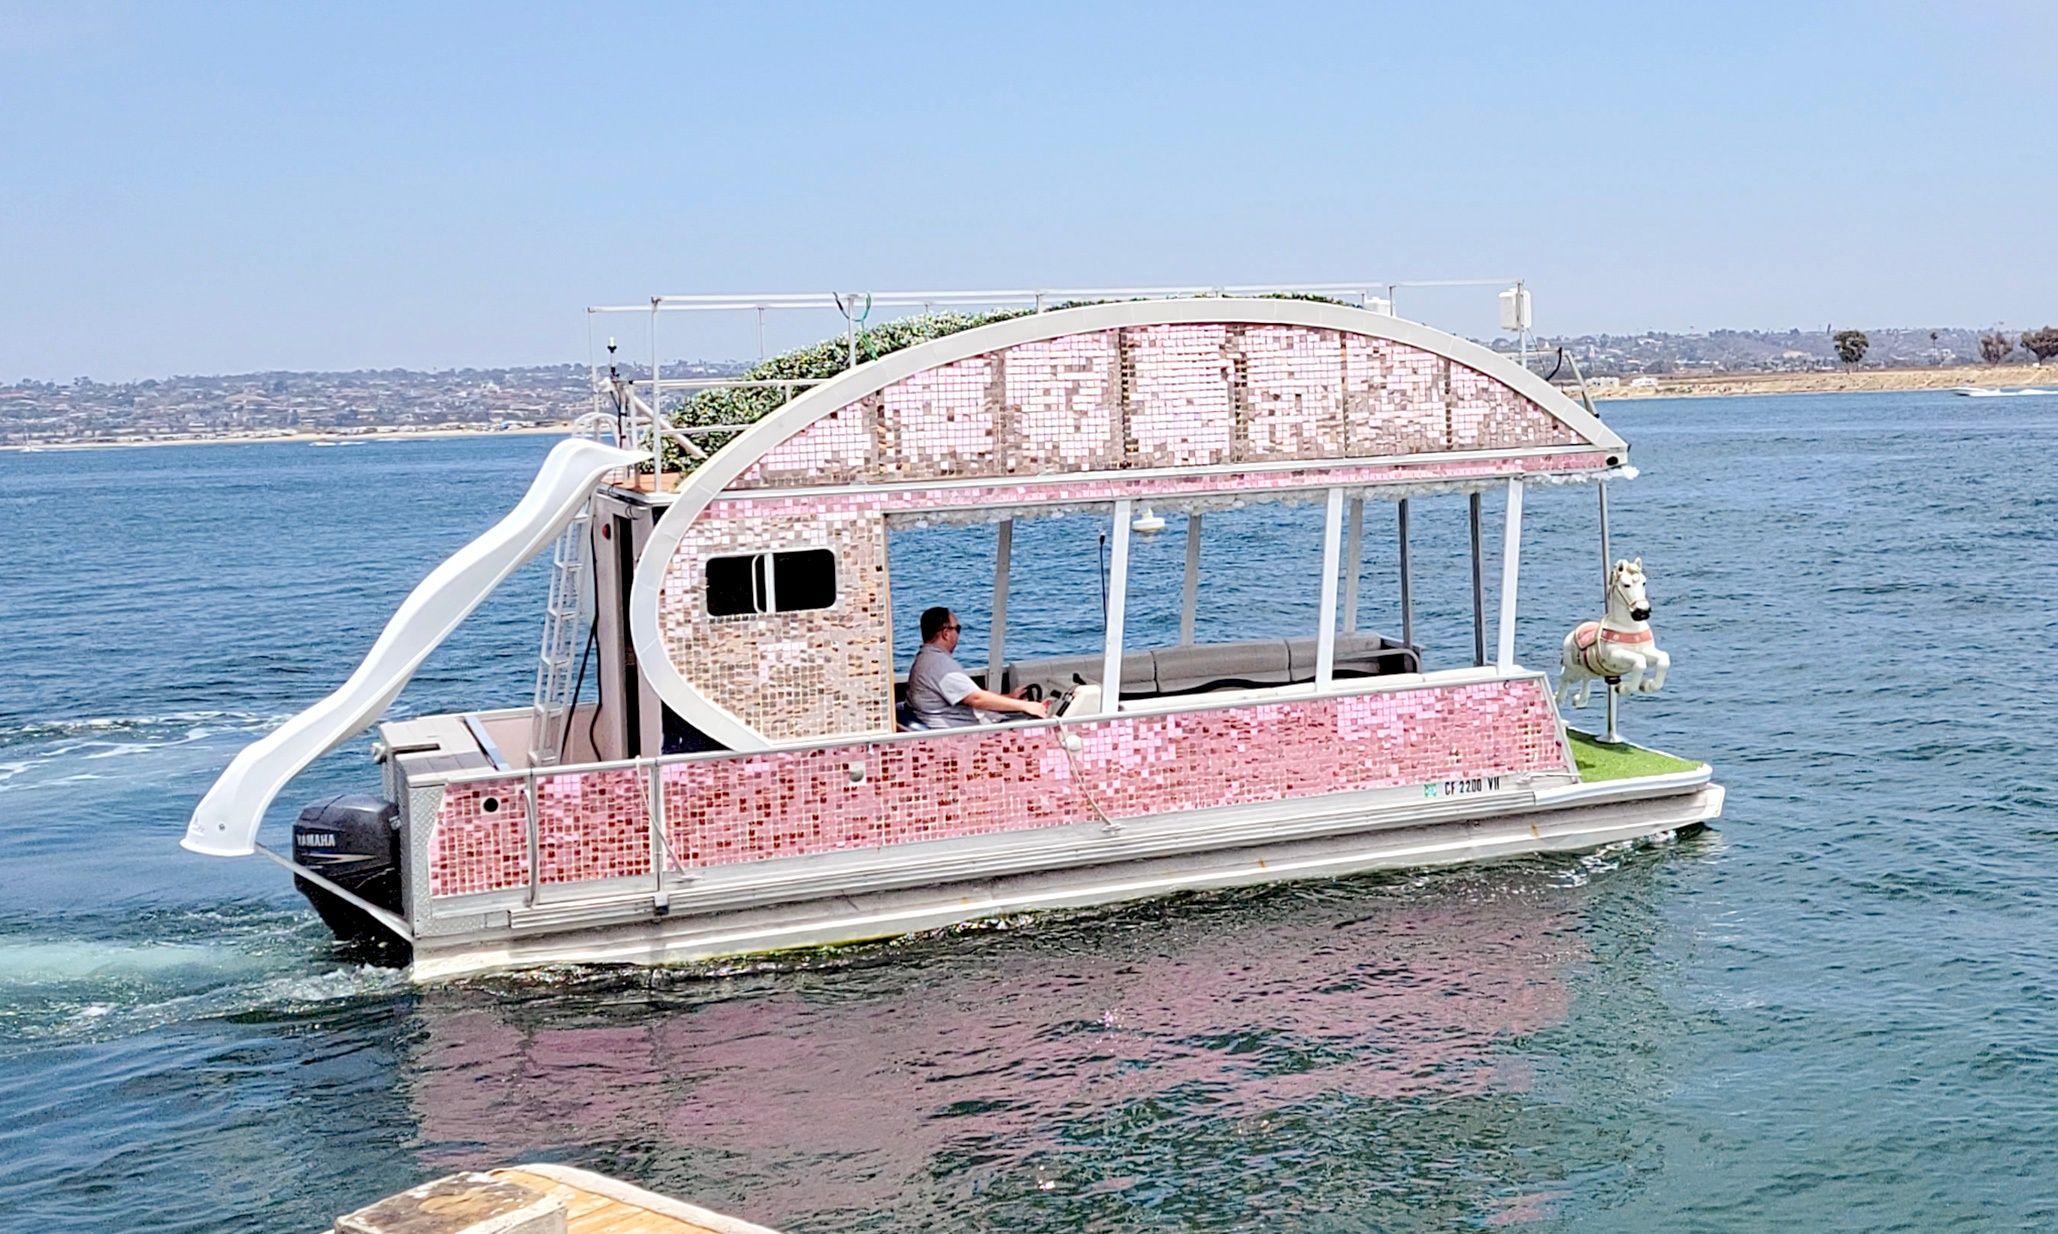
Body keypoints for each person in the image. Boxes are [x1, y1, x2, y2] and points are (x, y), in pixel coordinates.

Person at [906, 606, 1048, 727]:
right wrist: (1026, 706)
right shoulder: (939, 665)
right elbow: (976, 699)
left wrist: (1011, 698)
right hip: (968, 737)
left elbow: (967, 696)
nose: (958, 634)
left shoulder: (926, 659)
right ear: (946, 633)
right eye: (958, 629)